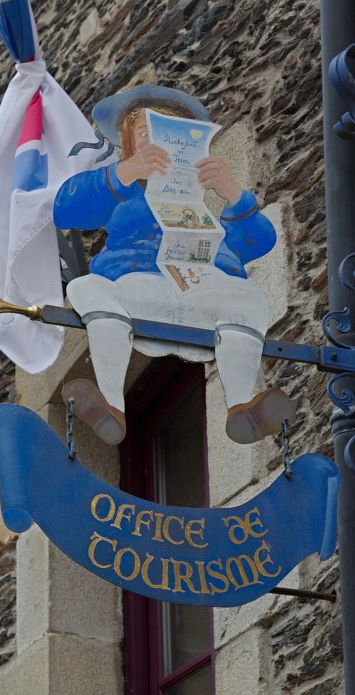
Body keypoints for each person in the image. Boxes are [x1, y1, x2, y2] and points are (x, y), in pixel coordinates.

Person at [53, 84, 295, 446]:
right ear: (130, 142)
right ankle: (110, 403)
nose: (161, 144)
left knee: (246, 297)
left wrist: (233, 194)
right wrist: (125, 171)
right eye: (148, 133)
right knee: (85, 287)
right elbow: (66, 208)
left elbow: (259, 241)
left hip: (198, 292)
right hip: (135, 291)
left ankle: (242, 406)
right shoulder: (122, 192)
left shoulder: (199, 204)